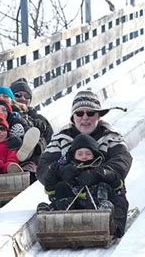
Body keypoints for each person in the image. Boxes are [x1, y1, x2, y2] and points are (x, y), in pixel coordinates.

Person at [37, 89, 131, 238]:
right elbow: (43, 166)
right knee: (61, 191)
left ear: (98, 116)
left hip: (104, 188)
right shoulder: (62, 137)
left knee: (116, 199)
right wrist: (60, 171)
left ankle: (110, 224)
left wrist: (98, 173)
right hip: (70, 189)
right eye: (80, 113)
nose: (85, 118)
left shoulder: (110, 136)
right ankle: (56, 217)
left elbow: (122, 160)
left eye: (90, 113)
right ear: (73, 117)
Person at [38, 133, 122, 212]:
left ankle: (103, 209)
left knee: (103, 187)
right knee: (62, 186)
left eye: (88, 154)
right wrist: (56, 170)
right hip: (71, 204)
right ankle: (53, 210)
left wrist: (101, 174)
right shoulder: (66, 167)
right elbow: (50, 188)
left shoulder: (100, 168)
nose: (84, 157)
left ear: (94, 155)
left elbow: (118, 187)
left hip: (93, 204)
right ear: (74, 155)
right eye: (80, 154)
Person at [10, 78, 54, 182]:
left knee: (37, 139)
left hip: (32, 160)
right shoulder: (3, 115)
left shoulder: (38, 119)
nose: (22, 98)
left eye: (27, 96)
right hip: (6, 155)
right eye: (18, 95)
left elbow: (51, 141)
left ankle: (29, 163)